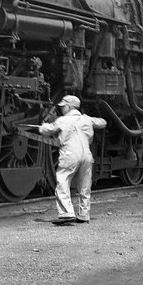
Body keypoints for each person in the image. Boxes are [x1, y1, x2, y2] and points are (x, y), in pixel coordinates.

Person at [39, 95, 106, 225]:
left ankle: (66, 213)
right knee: (85, 186)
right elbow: (102, 122)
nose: (61, 109)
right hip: (86, 155)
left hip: (70, 154)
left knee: (63, 182)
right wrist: (90, 121)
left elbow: (48, 130)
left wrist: (42, 126)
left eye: (63, 106)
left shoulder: (63, 120)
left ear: (69, 107)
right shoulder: (86, 119)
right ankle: (84, 215)